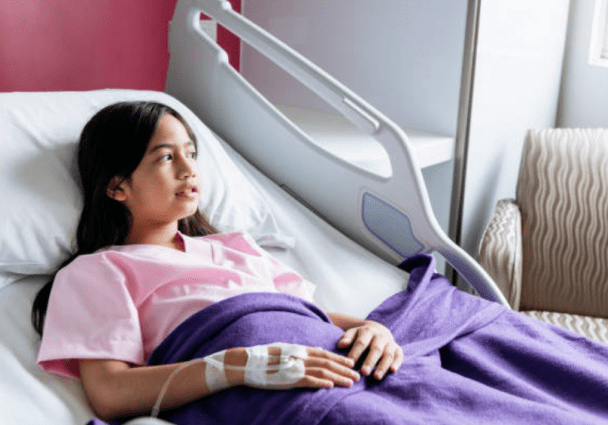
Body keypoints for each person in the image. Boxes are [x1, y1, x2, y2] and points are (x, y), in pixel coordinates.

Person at [32, 101, 404, 421]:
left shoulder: (236, 247)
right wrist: (234, 367)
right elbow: (110, 394)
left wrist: (372, 328)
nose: (188, 168)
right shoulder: (99, 271)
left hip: (339, 366)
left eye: (191, 154)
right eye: (166, 157)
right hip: (267, 396)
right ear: (117, 187)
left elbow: (305, 314)